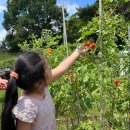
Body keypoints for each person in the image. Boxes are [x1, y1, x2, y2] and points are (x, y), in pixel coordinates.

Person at [1, 46, 90, 130]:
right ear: (38, 82)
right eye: (48, 68)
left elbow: (62, 67)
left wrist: (78, 51)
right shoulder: (27, 106)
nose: (51, 69)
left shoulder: (42, 86)